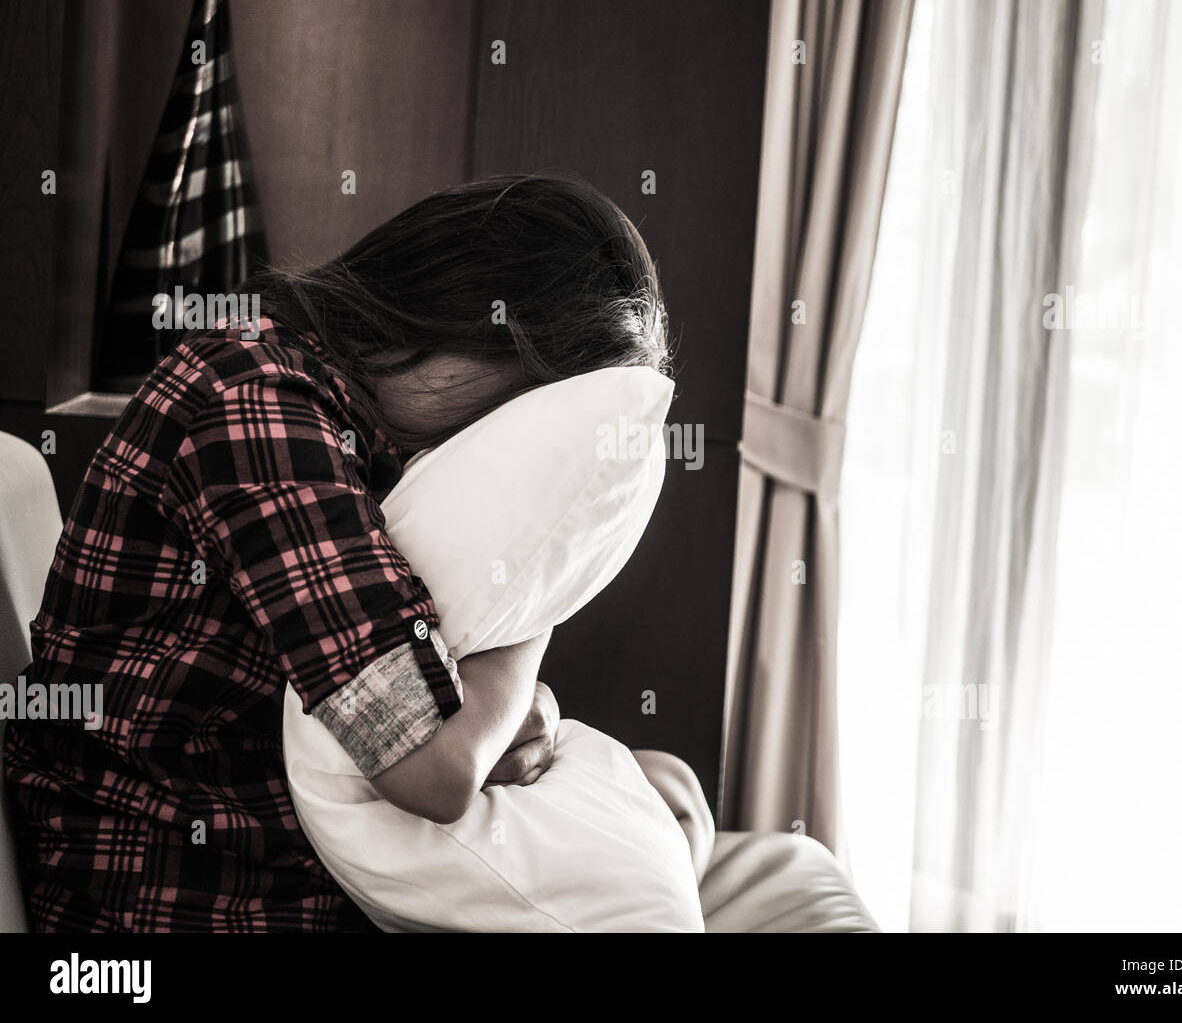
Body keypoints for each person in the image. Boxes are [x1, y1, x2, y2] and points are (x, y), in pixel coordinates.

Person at [2, 174, 712, 932]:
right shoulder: (256, 405)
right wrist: (539, 591)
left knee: (670, 795)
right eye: (518, 408)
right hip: (179, 903)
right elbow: (433, 769)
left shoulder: (346, 419)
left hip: (282, 859)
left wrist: (504, 712)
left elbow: (433, 709)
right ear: (471, 318)